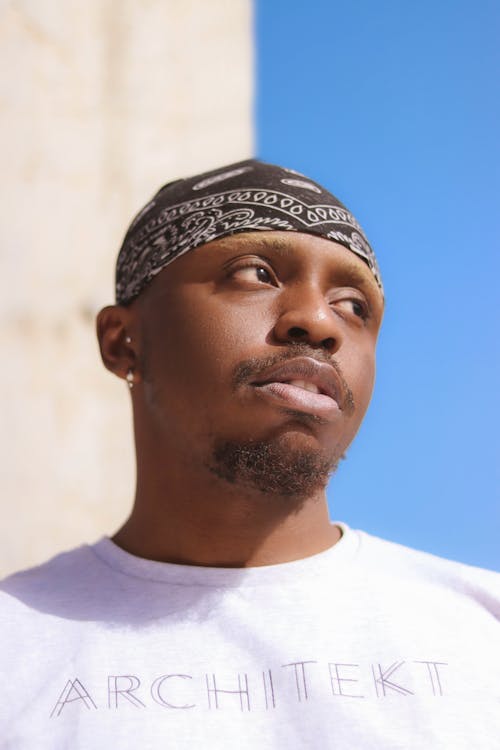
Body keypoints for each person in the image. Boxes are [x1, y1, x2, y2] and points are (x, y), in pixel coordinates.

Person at [1, 159, 498, 749]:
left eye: (354, 306)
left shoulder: (482, 627)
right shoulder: (17, 643)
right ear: (121, 341)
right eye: (255, 273)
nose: (318, 320)